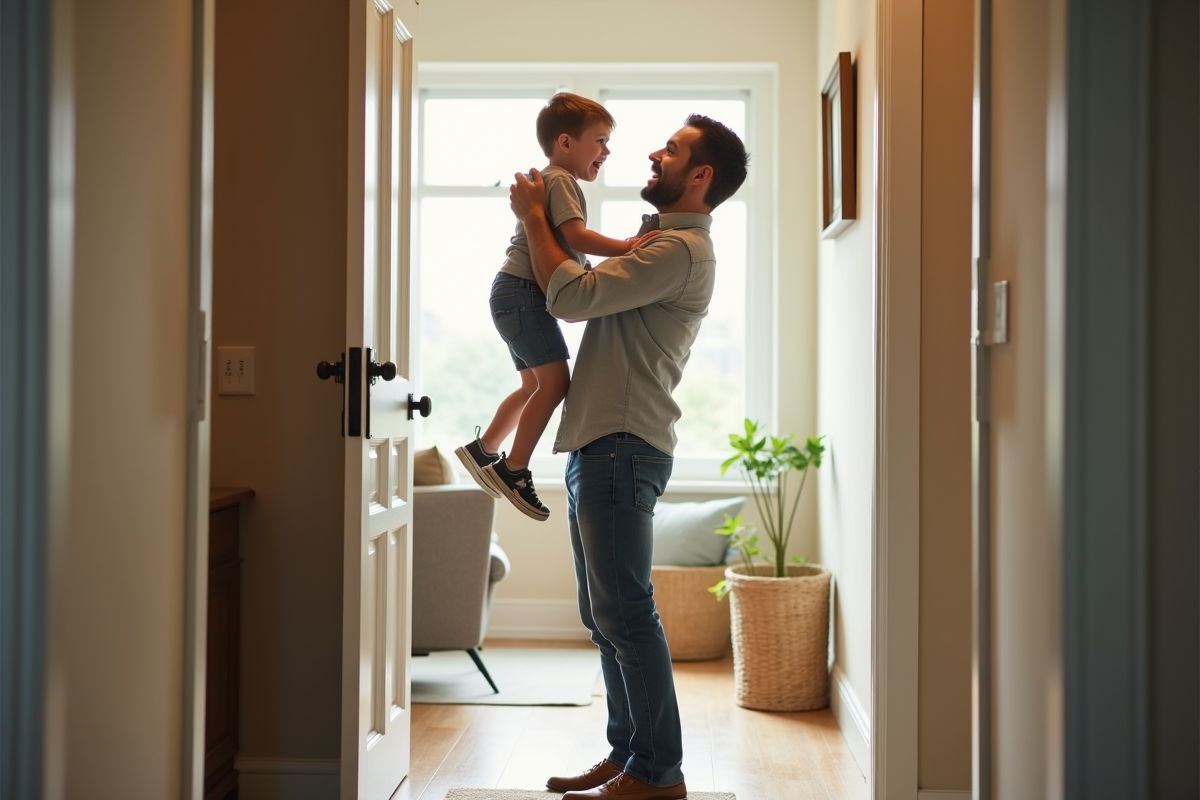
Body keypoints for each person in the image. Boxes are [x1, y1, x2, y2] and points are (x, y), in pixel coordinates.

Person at [509, 115, 749, 800]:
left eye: (671, 149)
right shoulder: (657, 243)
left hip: (620, 446)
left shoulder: (676, 252)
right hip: (600, 443)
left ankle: (657, 775)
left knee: (626, 614)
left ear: (700, 177)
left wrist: (534, 217)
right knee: (604, 615)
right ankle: (628, 756)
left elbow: (570, 296)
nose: (653, 152)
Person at [456, 93, 658, 522]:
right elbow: (577, 236)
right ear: (565, 143)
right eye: (600, 140)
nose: (607, 150)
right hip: (526, 293)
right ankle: (513, 469)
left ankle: (483, 449)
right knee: (555, 383)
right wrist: (627, 246)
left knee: (534, 385)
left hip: (511, 292)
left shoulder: (552, 179)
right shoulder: (561, 180)